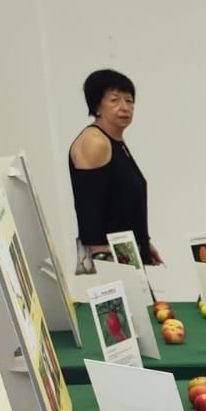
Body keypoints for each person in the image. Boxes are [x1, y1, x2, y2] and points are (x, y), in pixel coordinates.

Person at [68, 69, 161, 270]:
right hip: (111, 260)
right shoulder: (95, 142)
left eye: (129, 101)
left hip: (126, 252)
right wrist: (106, 263)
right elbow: (90, 209)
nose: (124, 107)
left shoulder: (116, 142)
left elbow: (121, 203)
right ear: (97, 106)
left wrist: (144, 245)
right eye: (115, 100)